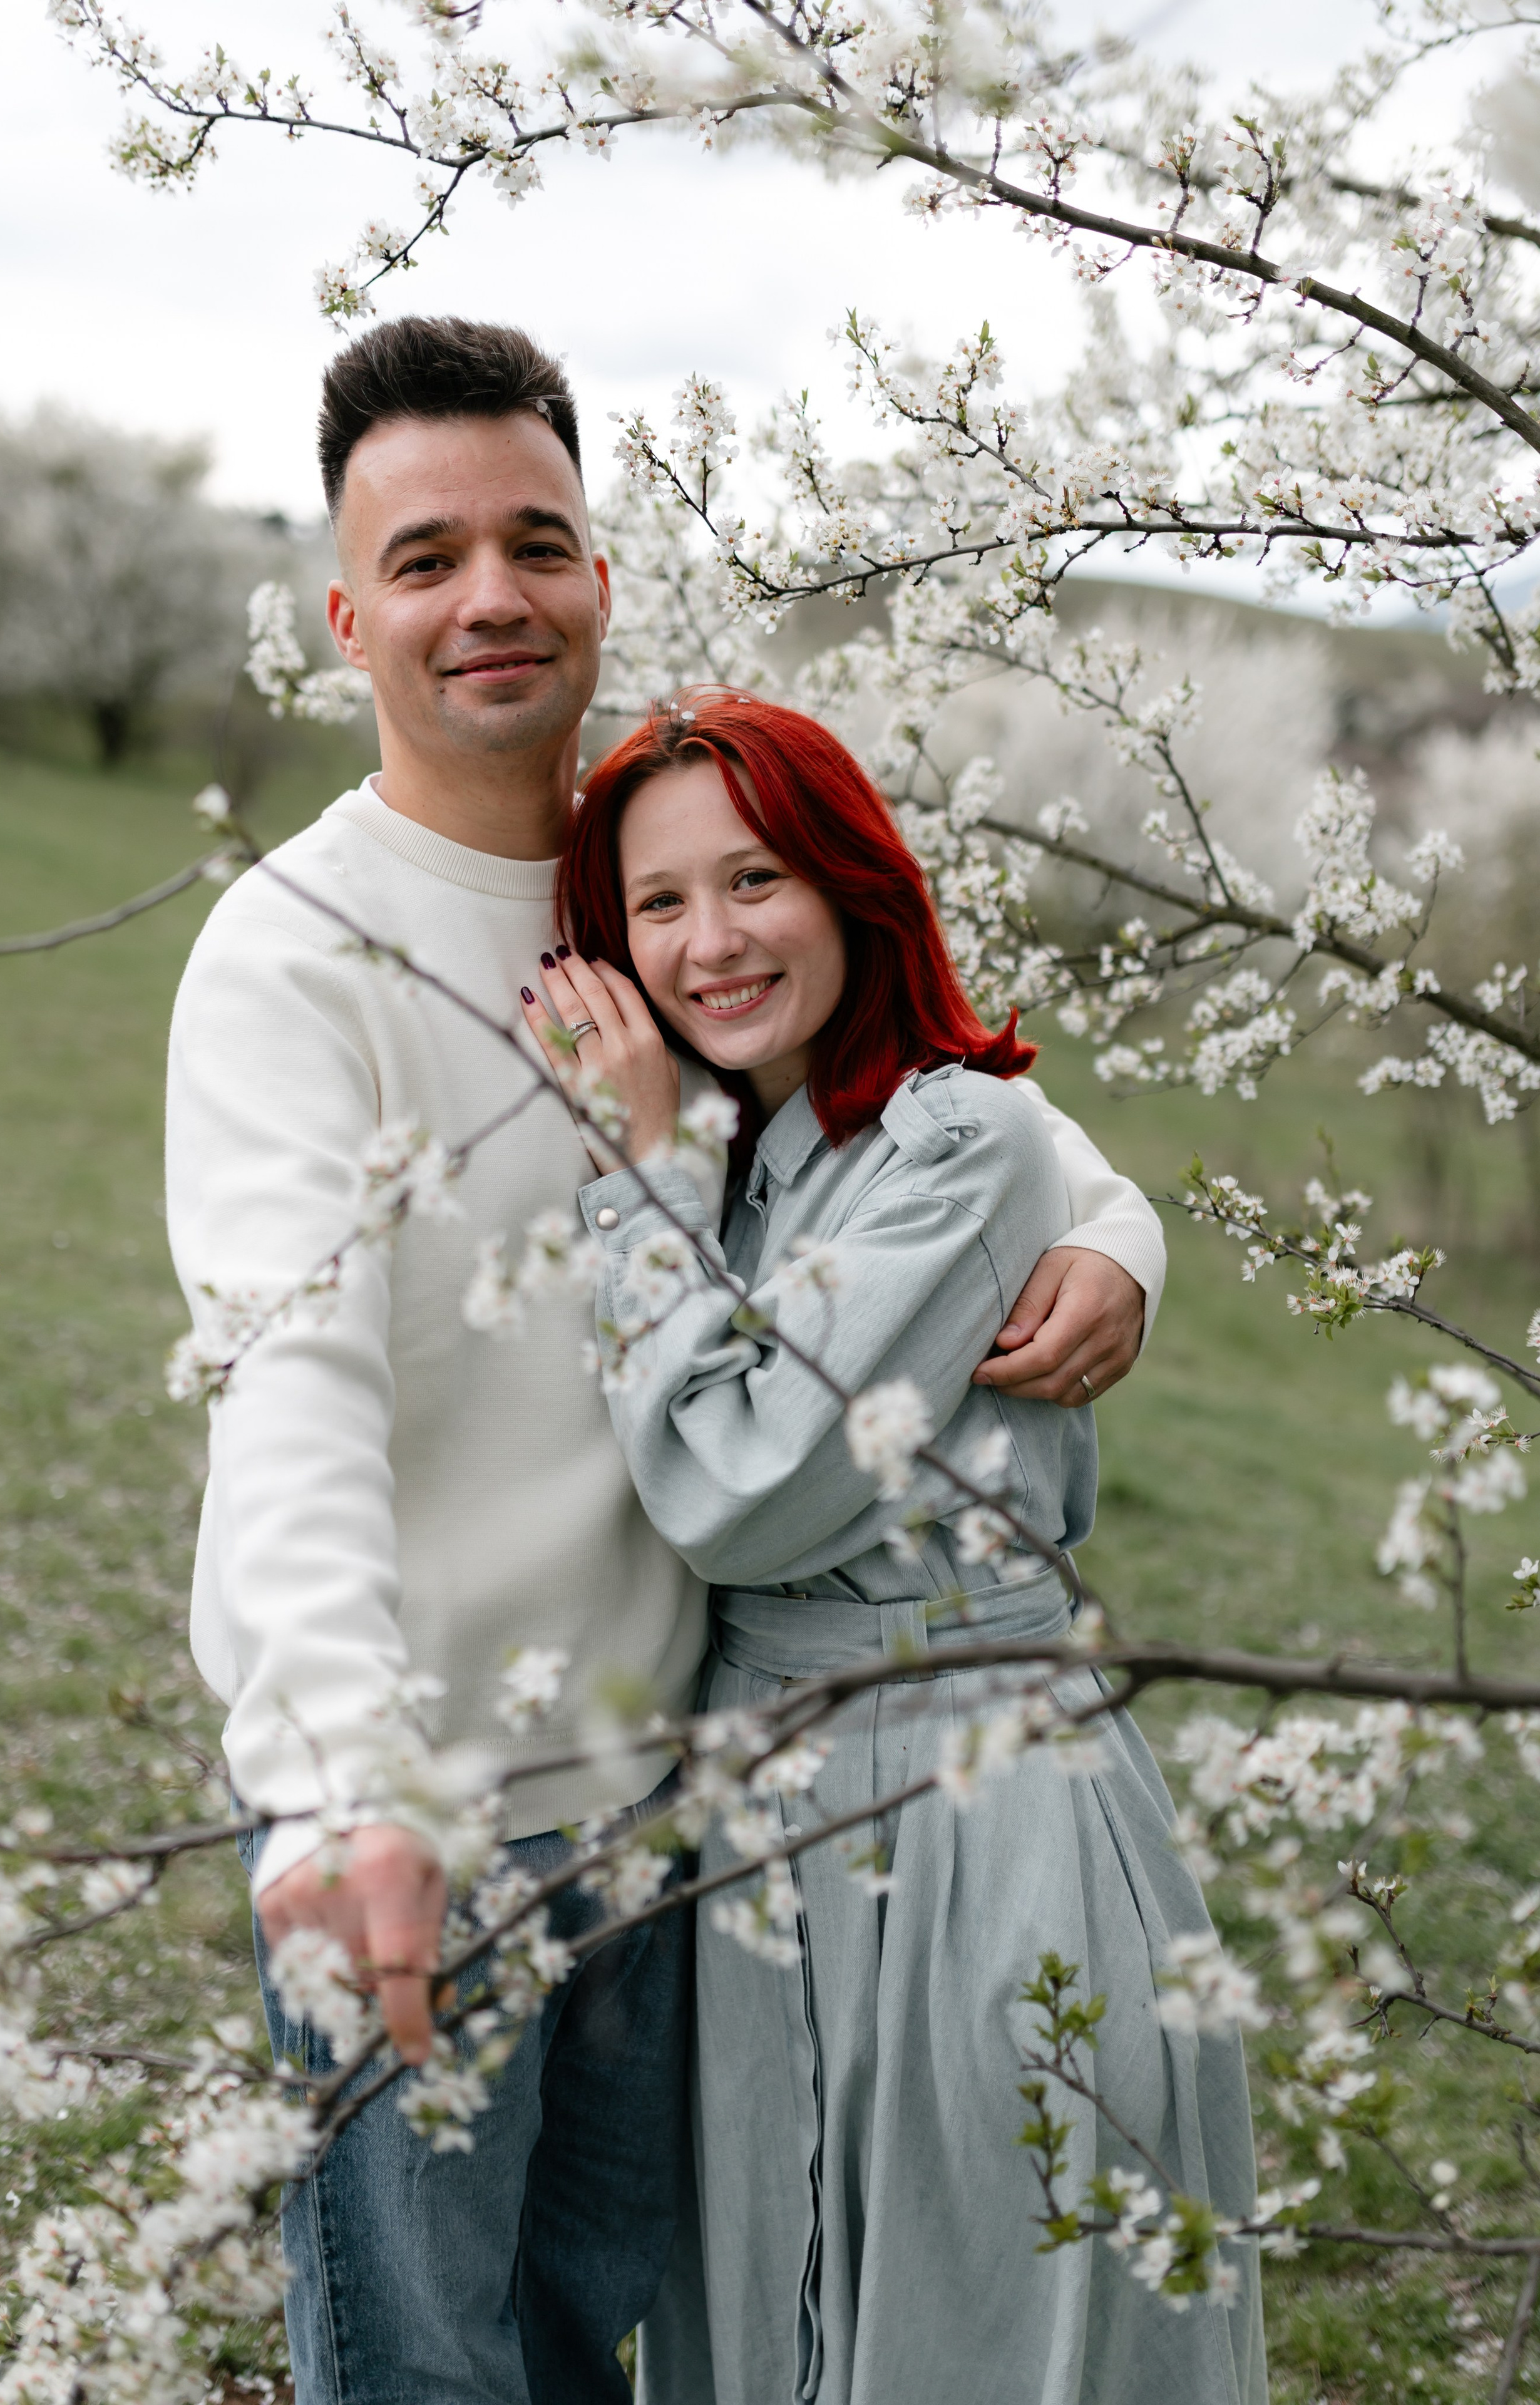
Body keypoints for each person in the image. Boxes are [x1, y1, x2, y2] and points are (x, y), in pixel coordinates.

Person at [165, 314, 1169, 2405]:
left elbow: (955, 1102)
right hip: (437, 1812)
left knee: (635, 2352)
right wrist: (347, 1788)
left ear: (601, 578)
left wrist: (1123, 1232)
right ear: (346, 613)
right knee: (430, 2374)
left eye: (537, 539)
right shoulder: (291, 954)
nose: (491, 595)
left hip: (684, 1805)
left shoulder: (652, 875)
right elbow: (293, 1392)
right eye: (426, 558)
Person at [521, 690, 1265, 2405]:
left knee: (973, 2320)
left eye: (758, 877)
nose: (713, 941)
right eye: (659, 903)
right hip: (766, 1816)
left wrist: (635, 1174)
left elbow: (743, 1483)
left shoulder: (952, 1139)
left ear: (853, 881)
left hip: (962, 1808)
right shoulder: (752, 1152)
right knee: (764, 2321)